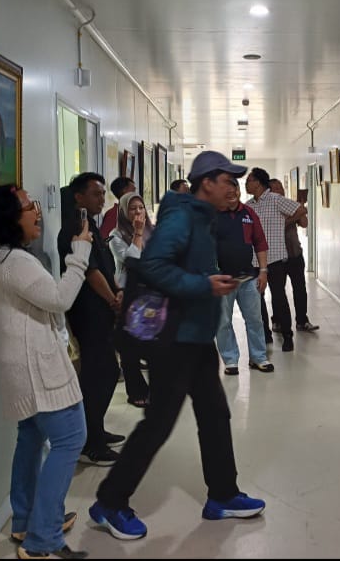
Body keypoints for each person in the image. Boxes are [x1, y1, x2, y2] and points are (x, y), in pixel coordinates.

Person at [89, 150, 266, 540]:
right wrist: (203, 284)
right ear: (207, 183)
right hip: (174, 340)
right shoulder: (181, 217)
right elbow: (152, 265)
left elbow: (188, 266)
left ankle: (223, 495)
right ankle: (109, 503)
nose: (234, 189)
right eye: (228, 181)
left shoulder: (202, 217)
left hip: (197, 338)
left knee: (215, 416)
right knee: (158, 424)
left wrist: (211, 279)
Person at [0, 184, 92, 560]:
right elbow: (60, 299)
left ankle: (26, 519)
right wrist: (80, 254)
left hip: (24, 371)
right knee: (70, 439)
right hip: (39, 371)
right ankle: (42, 538)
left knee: (31, 439)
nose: (37, 211)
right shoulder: (15, 262)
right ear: (8, 217)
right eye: (28, 206)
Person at [58, 172, 124, 466]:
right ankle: (90, 443)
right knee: (101, 373)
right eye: (96, 194)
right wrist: (112, 300)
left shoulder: (91, 225)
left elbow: (105, 268)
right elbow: (90, 272)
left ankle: (95, 430)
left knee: (105, 372)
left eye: (102, 193)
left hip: (102, 309)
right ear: (79, 196)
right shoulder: (74, 228)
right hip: (88, 311)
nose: (102, 199)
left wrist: (117, 292)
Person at [245, 167, 307, 352]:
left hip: (275, 259)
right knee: (258, 299)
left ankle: (287, 336)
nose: (247, 184)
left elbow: (301, 209)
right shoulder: (248, 206)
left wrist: (284, 222)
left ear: (258, 183)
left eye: (249, 181)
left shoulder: (276, 200)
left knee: (279, 297)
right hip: (255, 260)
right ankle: (265, 334)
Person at [216, 179, 273, 375]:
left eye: (234, 189)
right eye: (226, 190)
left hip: (248, 277)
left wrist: (263, 271)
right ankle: (230, 360)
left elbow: (260, 243)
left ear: (239, 191)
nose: (231, 193)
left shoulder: (249, 213)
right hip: (222, 279)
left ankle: (258, 357)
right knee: (223, 322)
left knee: (255, 319)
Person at [109, 191, 155, 407]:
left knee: (153, 342)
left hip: (151, 294)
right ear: (123, 212)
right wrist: (137, 233)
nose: (138, 212)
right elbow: (131, 260)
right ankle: (136, 391)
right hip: (128, 293)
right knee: (129, 348)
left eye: (141, 208)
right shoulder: (116, 235)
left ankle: (157, 389)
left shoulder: (153, 232)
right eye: (132, 208)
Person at [268, 178, 319, 334]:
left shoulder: (291, 205)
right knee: (278, 291)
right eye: (276, 188)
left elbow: (304, 223)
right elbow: (278, 226)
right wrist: (297, 214)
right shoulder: (269, 208)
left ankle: (302, 321)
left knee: (300, 289)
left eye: (281, 187)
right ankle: (277, 321)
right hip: (276, 256)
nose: (280, 190)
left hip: (295, 254)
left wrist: (300, 207)